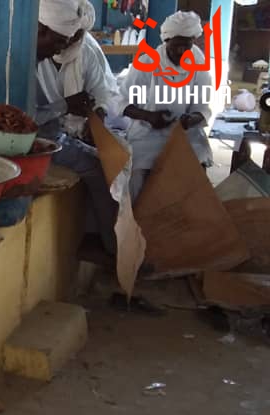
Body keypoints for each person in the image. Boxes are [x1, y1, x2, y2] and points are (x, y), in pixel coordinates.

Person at [35, 0, 122, 253]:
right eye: (61, 39)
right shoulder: (36, 54)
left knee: (113, 164)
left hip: (68, 131)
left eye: (72, 38)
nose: (66, 43)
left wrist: (96, 122)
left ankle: (105, 238)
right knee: (98, 169)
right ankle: (108, 245)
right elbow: (27, 119)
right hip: (46, 137)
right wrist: (65, 106)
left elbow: (102, 94)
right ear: (44, 31)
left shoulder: (87, 51)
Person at [120, 11, 212, 200]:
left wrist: (191, 119)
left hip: (185, 135)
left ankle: (188, 220)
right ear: (166, 40)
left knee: (198, 165)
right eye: (176, 45)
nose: (181, 51)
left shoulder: (199, 62)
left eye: (186, 46)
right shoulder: (146, 62)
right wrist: (149, 116)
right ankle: (138, 220)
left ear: (193, 42)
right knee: (138, 172)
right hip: (148, 134)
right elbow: (122, 102)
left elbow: (202, 107)